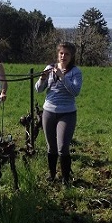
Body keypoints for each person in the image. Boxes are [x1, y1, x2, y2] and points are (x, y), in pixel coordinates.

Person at [34, 42, 83, 185]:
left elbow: (75, 91)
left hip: (67, 113)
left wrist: (62, 76)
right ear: (58, 54)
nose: (63, 56)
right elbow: (39, 89)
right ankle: (52, 175)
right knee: (51, 147)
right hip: (49, 111)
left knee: (62, 147)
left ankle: (66, 179)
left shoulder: (76, 72)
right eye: (61, 53)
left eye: (67, 54)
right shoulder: (50, 68)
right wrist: (42, 78)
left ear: (72, 56)